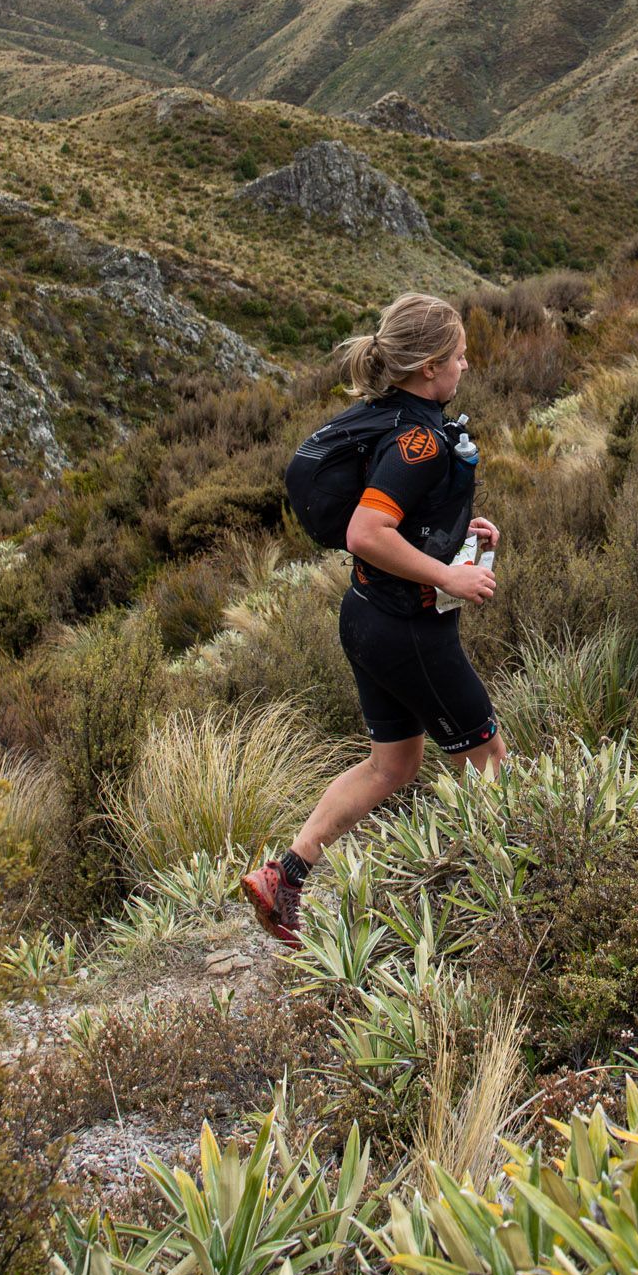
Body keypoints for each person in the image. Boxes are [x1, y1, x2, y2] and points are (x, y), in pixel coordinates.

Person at [241, 293, 503, 944]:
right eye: (460, 355)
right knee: (489, 758)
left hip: (367, 617)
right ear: (430, 366)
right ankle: (507, 901)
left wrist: (454, 536)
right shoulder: (418, 441)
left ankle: (284, 876)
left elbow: (395, 519)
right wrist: (448, 574)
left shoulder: (390, 418)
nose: (466, 365)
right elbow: (365, 531)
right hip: (408, 630)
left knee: (392, 766)